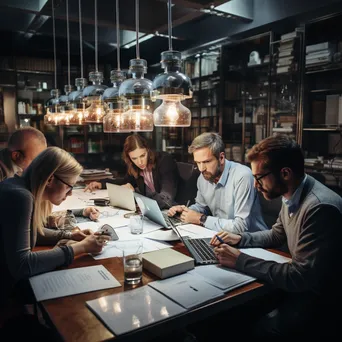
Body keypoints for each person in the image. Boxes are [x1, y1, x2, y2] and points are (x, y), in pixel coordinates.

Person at [209, 135, 342, 338]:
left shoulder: (319, 208)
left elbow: (299, 277)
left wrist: (239, 260)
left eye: (259, 178)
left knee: (256, 327)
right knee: (235, 314)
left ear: (285, 173)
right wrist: (241, 239)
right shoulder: (292, 192)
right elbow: (277, 233)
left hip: (320, 301)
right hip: (301, 289)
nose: (255, 185)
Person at [0, 147, 109, 309]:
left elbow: (32, 232)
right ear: (50, 179)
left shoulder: (17, 186)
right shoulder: (20, 196)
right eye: (69, 187)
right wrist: (82, 247)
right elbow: (22, 266)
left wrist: (71, 235)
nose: (70, 194)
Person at [168, 132, 268, 233]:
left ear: (221, 158)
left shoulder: (242, 176)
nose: (201, 168)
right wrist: (185, 211)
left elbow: (241, 227)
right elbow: (202, 207)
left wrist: (202, 219)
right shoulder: (203, 177)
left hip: (253, 243)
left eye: (206, 162)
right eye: (198, 162)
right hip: (221, 236)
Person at [84, 134, 179, 209]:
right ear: (129, 158)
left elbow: (166, 199)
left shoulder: (165, 161)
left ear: (148, 150)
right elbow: (125, 182)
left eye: (142, 155)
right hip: (152, 209)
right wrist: (101, 184)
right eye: (134, 158)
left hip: (170, 209)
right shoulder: (135, 166)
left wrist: (135, 194)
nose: (139, 162)